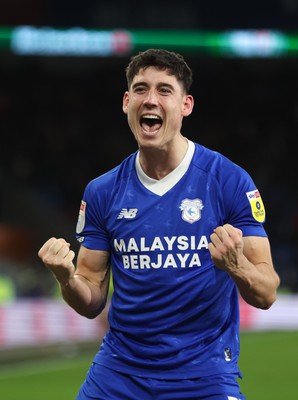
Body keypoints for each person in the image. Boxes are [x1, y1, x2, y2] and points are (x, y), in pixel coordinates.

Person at [38, 49, 280, 400]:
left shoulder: (228, 181)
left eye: (165, 90)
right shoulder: (103, 191)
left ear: (186, 105)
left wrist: (236, 265)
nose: (151, 99)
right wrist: (66, 278)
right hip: (120, 371)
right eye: (140, 89)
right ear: (126, 102)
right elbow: (91, 299)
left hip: (204, 374)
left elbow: (267, 292)